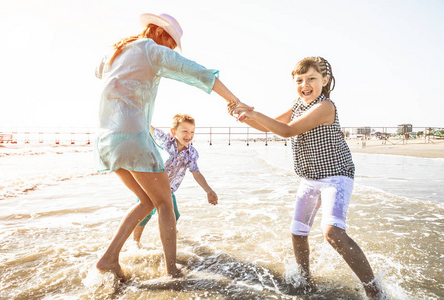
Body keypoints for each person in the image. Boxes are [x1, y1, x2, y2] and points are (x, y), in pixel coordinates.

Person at [94, 13, 240, 281]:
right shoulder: (151, 49)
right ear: (160, 34)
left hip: (106, 140)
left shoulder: (114, 52)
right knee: (164, 205)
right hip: (133, 138)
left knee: (147, 201)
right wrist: (234, 100)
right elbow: (195, 71)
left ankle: (109, 258)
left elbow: (98, 72)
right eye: (170, 45)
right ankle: (172, 270)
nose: (169, 50)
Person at [229, 57, 383, 299]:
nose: (305, 84)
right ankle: (305, 281)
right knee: (298, 232)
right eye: (299, 80)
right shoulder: (298, 105)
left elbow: (287, 130)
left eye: (311, 78)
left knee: (332, 232)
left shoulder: (325, 107)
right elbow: (269, 127)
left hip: (336, 176)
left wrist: (254, 112)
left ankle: (374, 291)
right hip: (309, 178)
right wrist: (245, 114)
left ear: (325, 80)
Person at [132, 114, 218, 247]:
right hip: (149, 185)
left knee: (174, 215)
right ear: (174, 132)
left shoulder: (191, 153)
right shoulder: (165, 140)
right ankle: (135, 242)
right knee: (144, 214)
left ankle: (172, 235)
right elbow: (149, 128)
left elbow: (196, 173)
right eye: (185, 131)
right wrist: (137, 115)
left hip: (168, 190)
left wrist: (208, 190)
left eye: (192, 132)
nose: (189, 135)